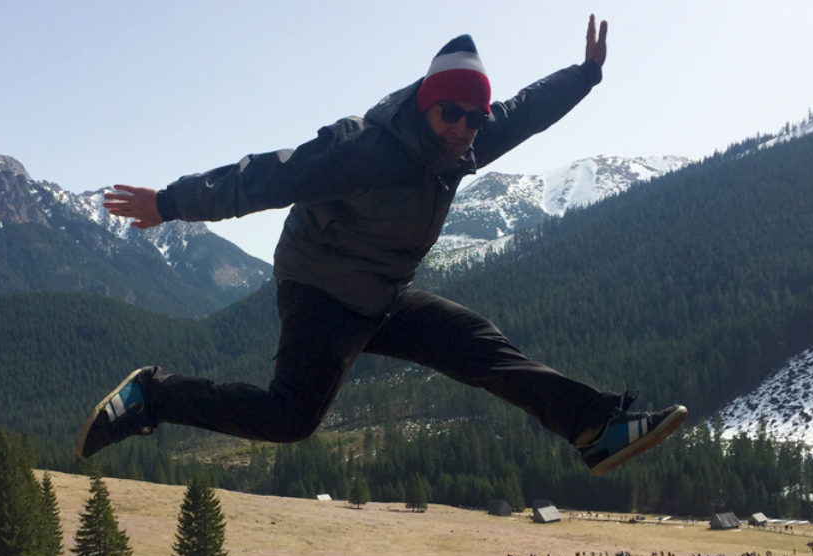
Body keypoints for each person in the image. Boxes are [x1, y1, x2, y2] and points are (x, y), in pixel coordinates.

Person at [78, 15, 687, 475]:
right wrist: (169, 203)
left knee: (482, 349)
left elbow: (525, 111)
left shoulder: (464, 144)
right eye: (451, 113)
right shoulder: (363, 148)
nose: (463, 128)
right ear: (426, 106)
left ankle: (596, 430)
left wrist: (586, 74)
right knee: (290, 419)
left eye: (474, 118)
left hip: (384, 295)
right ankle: (151, 395)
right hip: (319, 289)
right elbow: (266, 177)